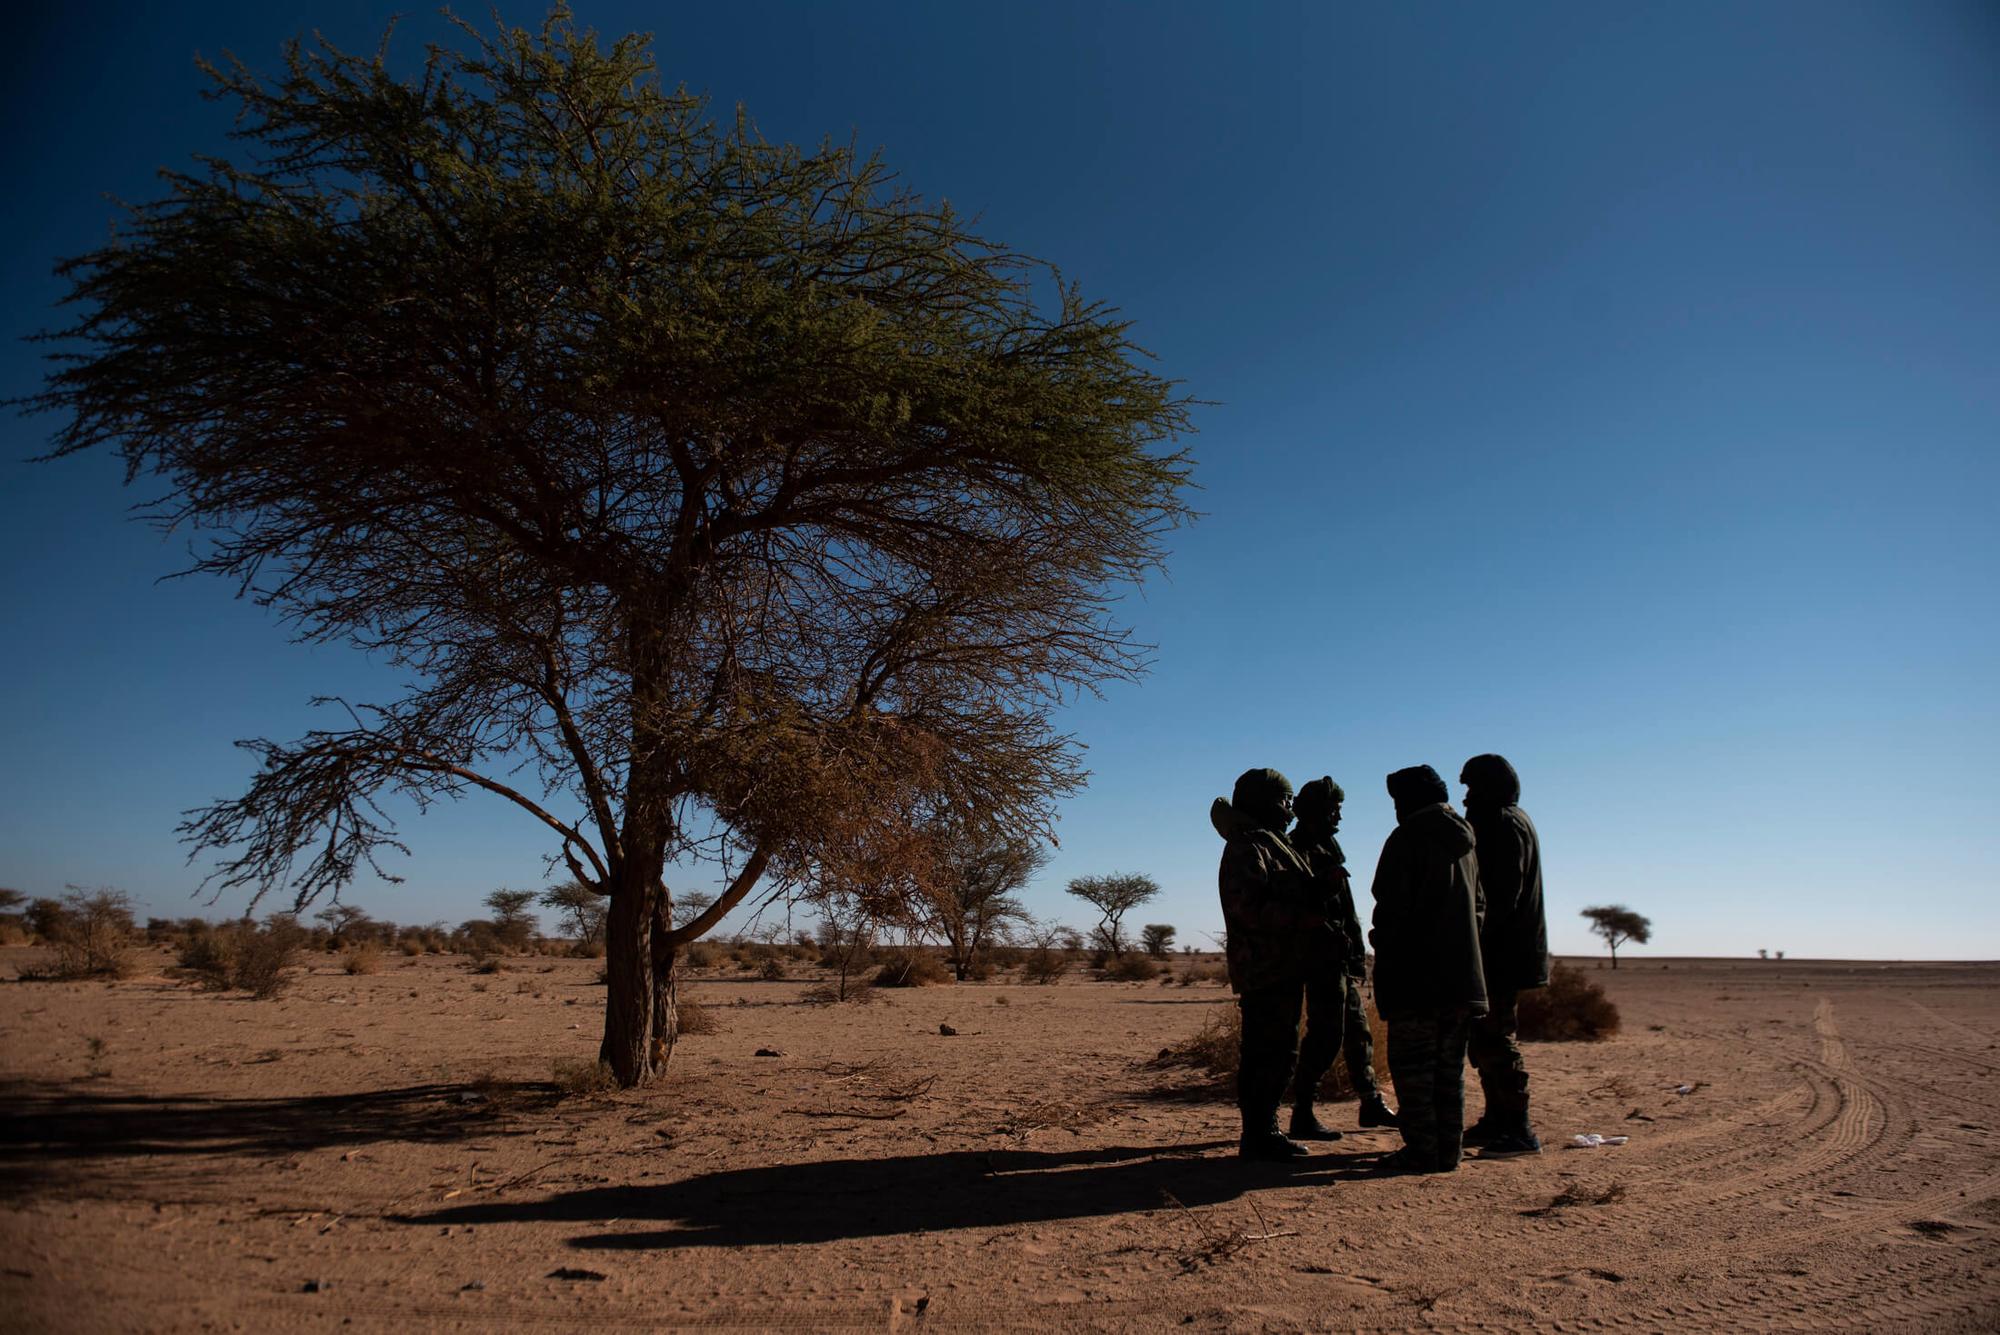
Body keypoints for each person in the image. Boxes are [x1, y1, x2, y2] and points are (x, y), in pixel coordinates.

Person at [1369, 764, 1487, 1174]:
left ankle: (1421, 1151)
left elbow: (1392, 910)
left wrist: (1385, 949)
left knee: (1413, 1069)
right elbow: (1480, 909)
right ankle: (1446, 1152)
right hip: (1463, 981)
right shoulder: (1466, 843)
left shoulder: (1407, 839)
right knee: (1447, 1071)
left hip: (1416, 982)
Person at [1214, 767, 1321, 1160]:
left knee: (1281, 1050)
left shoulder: (1274, 844)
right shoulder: (1247, 847)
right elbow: (1248, 909)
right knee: (1266, 1051)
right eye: (1284, 800)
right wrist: (1303, 917)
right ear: (1262, 802)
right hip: (1264, 968)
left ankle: (1265, 1129)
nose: (1290, 809)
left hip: (1283, 966)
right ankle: (1259, 1134)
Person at [1287, 776, 1397, 1138]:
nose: (1339, 817)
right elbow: (1298, 906)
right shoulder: (1297, 849)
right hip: (1318, 958)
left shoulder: (1327, 847)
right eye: (1334, 809)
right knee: (1326, 1035)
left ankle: (1370, 1101)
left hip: (1338, 957)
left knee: (1357, 1032)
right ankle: (1302, 1110)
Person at [1459, 753, 1550, 1155]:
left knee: (1496, 1037)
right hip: (1502, 949)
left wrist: (1474, 937)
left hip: (1500, 952)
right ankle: (1497, 1118)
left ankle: (1517, 1127)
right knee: (1485, 1037)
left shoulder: (1503, 822)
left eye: (1472, 787)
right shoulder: (1511, 818)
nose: (1467, 797)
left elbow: (1500, 894)